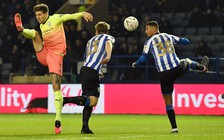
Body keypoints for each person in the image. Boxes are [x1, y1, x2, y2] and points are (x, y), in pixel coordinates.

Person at [14, 3, 93, 134]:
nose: (38, 17)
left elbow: (69, 16)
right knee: (34, 33)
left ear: (46, 14)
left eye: (40, 14)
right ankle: (21, 29)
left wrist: (82, 14)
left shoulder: (55, 18)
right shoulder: (41, 25)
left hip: (55, 56)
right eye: (36, 15)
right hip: (44, 54)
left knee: (56, 84)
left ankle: (58, 119)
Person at [132, 21, 209, 133]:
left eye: (147, 29)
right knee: (186, 61)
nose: (145, 31)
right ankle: (202, 68)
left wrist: (135, 64)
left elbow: (143, 59)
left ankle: (174, 128)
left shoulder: (149, 42)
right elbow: (186, 42)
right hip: (176, 68)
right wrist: (178, 41)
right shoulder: (168, 36)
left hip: (164, 74)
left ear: (154, 29)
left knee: (168, 102)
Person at [63, 21, 115, 134]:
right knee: (93, 101)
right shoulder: (107, 37)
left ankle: (85, 127)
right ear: (107, 31)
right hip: (91, 71)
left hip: (86, 69)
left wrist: (98, 70)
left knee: (89, 99)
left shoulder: (90, 41)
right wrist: (108, 55)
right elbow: (108, 44)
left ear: (96, 31)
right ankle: (65, 100)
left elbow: (88, 57)